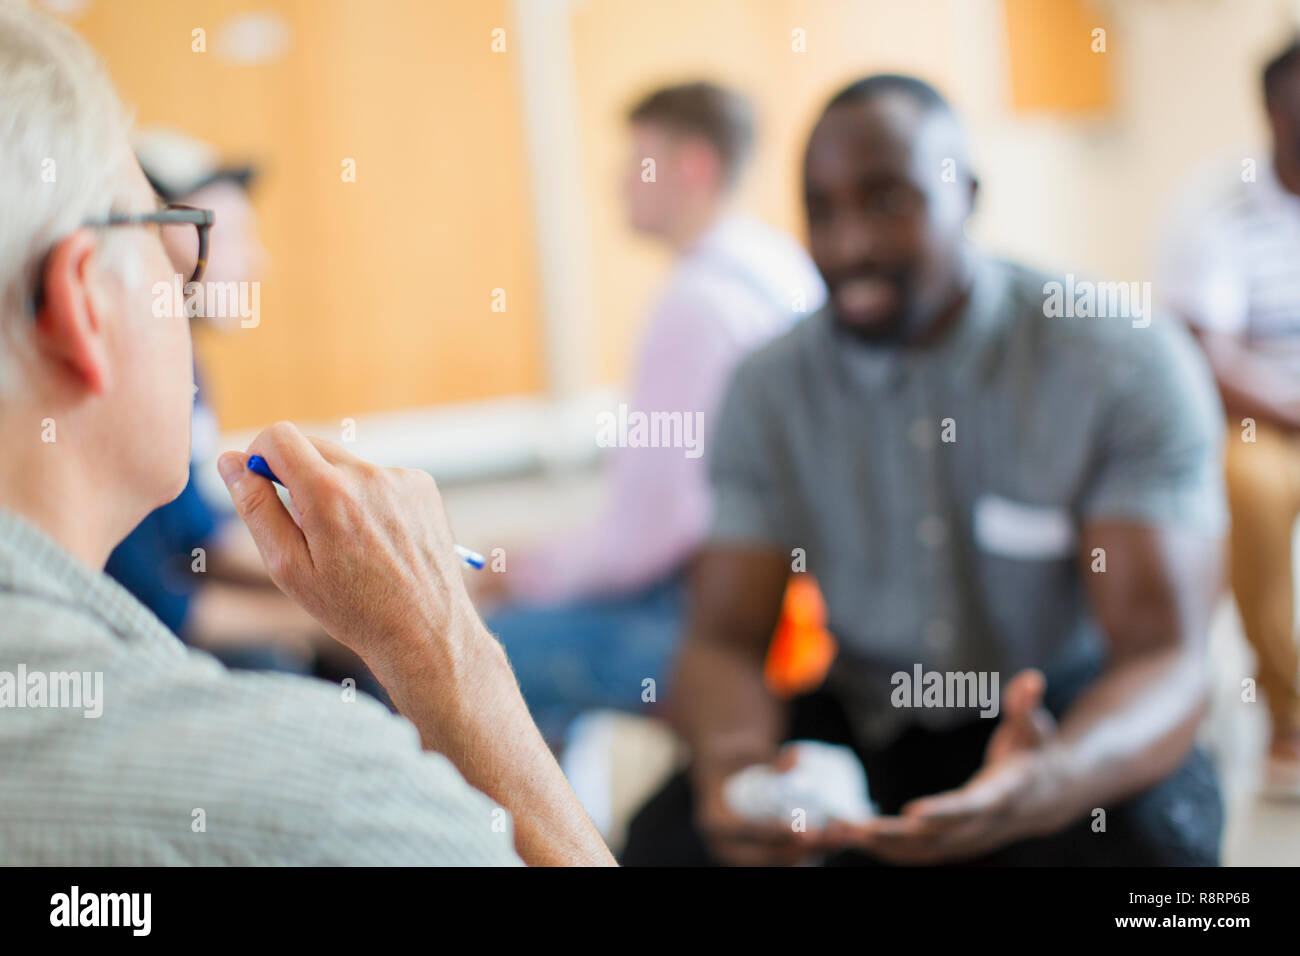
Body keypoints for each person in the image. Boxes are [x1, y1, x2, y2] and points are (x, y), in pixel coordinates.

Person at [0, 0, 611, 866]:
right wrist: (440, 649)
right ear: (82, 306)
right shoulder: (319, 801)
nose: (207, 270)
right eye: (177, 235)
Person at [622, 74, 1227, 866]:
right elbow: (724, 641)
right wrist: (736, 775)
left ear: (967, 194)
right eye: (823, 211)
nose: (850, 245)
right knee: (666, 845)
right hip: (870, 718)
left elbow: (1165, 659)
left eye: (888, 201)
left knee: (1161, 861)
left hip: (1062, 725)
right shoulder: (769, 389)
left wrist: (1051, 781)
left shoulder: (1117, 365)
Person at [480, 82, 826, 742]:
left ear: (693, 166)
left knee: (470, 654)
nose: (616, 183)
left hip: (712, 618)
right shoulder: (778, 266)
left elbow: (655, 532)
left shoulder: (695, 305)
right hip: (795, 606)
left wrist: (519, 571)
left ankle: (553, 841)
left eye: (636, 159)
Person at [104, 128, 384, 698]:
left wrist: (359, 581)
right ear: (144, 235)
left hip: (169, 609)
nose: (256, 263)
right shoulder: (115, 387)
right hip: (123, 644)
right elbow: (158, 605)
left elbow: (201, 540)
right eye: (224, 236)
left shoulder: (183, 366)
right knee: (291, 677)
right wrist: (331, 622)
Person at [1157, 36, 1300, 798]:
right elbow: (1205, 355)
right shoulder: (1216, 204)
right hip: (1261, 417)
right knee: (1251, 489)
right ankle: (1289, 712)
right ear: (1276, 112)